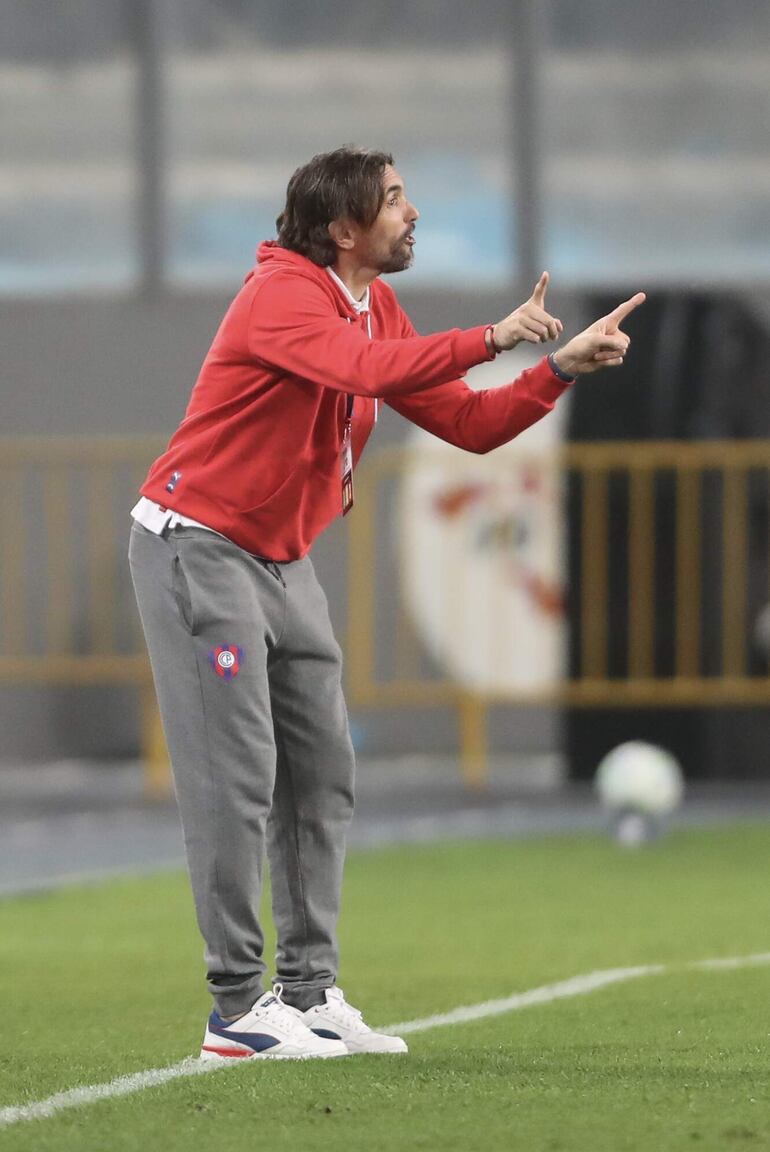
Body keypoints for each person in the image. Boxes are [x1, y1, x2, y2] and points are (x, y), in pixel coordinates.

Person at [128, 146, 644, 1061]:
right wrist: (493, 336)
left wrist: (558, 367)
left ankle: (309, 990)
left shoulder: (378, 303)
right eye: (397, 200)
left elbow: (470, 424)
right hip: (197, 547)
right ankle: (235, 1010)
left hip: (282, 561)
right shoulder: (281, 294)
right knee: (237, 781)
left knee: (323, 773)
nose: (414, 214)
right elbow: (361, 374)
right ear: (344, 229)